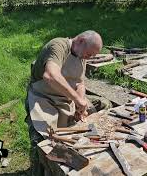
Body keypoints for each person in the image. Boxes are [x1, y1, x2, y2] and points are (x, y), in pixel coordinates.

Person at [24, 30, 111, 175]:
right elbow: (50, 76)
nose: (88, 58)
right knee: (42, 142)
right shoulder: (58, 46)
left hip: (64, 98)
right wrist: (76, 99)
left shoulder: (80, 54)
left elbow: (80, 83)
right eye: (89, 54)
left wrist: (80, 103)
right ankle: (38, 171)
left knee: (103, 105)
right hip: (43, 98)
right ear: (81, 40)